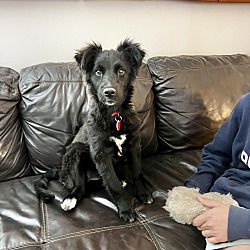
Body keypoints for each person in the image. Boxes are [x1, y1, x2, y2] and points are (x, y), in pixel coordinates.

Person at [184, 92, 250, 250]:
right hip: (230, 202)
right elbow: (217, 154)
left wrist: (239, 223)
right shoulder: (246, 103)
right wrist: (194, 189)